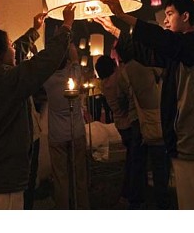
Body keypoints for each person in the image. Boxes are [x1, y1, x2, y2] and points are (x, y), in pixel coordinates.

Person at [101, 0, 194, 210]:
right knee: (190, 198)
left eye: (169, 14)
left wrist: (123, 16)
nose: (165, 21)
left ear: (185, 16)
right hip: (183, 135)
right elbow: (146, 54)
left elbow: (162, 40)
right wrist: (114, 29)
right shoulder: (178, 50)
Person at [0, 6, 74, 210]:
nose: (14, 49)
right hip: (2, 184)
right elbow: (43, 62)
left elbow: (18, 54)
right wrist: (66, 26)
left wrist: (34, 30)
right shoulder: (4, 81)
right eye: (10, 45)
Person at [95, 15, 171, 209]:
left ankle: (136, 197)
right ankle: (159, 200)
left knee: (137, 161)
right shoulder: (141, 66)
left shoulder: (123, 73)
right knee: (155, 162)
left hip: (136, 121)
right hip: (148, 119)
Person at [42, 42, 89, 209]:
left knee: (61, 177)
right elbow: (76, 59)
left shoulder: (47, 78)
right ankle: (81, 206)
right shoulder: (73, 74)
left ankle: (63, 207)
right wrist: (70, 47)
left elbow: (41, 65)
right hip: (76, 131)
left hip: (56, 135)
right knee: (79, 175)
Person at [95, 54, 140, 208]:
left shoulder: (104, 84)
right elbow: (126, 100)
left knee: (131, 159)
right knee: (133, 162)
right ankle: (129, 193)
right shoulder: (118, 79)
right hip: (129, 123)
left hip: (120, 125)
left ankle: (128, 192)